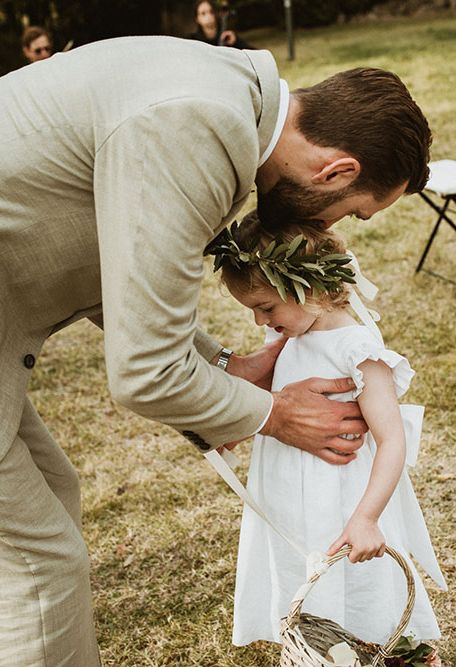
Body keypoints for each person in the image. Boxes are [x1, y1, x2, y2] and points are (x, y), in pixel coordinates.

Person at [0, 37, 431, 665]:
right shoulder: (194, 128)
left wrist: (227, 367)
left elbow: (117, 265)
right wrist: (278, 415)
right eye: (354, 212)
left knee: (48, 500)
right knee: (39, 566)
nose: (338, 230)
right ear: (335, 171)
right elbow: (144, 372)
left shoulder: (226, 98)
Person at [203, 213, 446, 646]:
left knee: (356, 584)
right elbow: (276, 407)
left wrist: (367, 518)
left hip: (342, 501)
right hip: (287, 497)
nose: (260, 322)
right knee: (303, 574)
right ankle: (313, 644)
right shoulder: (287, 340)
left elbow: (392, 440)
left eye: (266, 308)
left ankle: (386, 647)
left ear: (307, 287)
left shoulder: (357, 349)